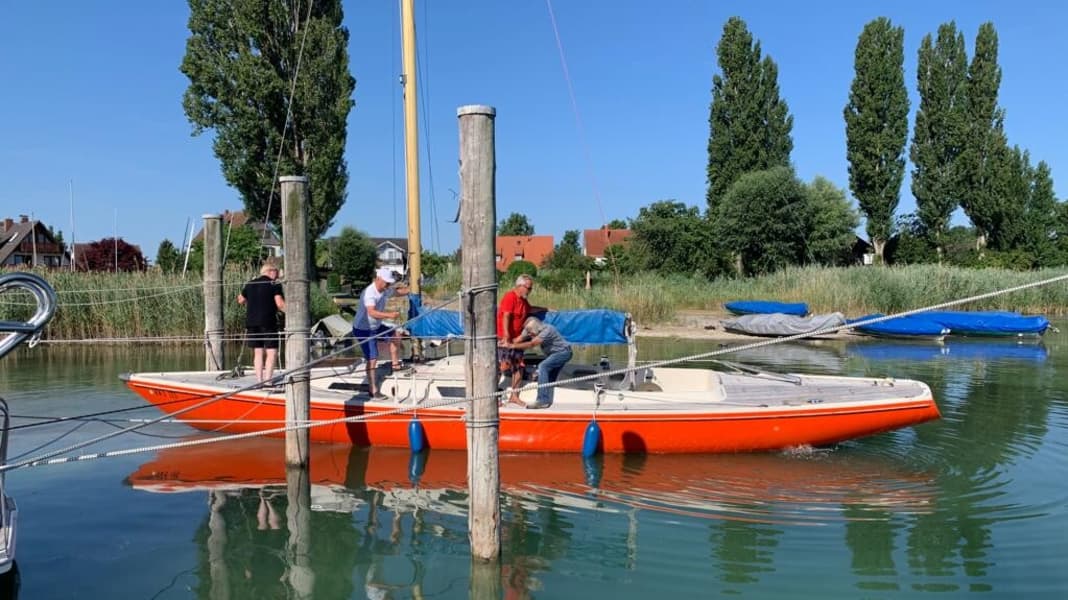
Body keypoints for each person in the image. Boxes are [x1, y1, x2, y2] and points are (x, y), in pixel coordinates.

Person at [353, 267, 409, 398]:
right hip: (364, 330)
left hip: (376, 326)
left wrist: (411, 289)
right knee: (372, 358)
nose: (388, 285)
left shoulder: (384, 289)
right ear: (378, 279)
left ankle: (395, 365)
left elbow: (396, 292)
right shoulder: (369, 293)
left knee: (396, 333)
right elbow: (371, 312)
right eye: (386, 283)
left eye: (389, 283)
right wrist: (389, 315)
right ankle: (373, 389)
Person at [496, 274, 542, 406]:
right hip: (505, 339)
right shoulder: (510, 297)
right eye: (529, 288)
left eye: (531, 288)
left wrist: (545, 309)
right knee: (502, 366)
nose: (530, 291)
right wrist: (506, 334)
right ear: (520, 286)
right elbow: (506, 316)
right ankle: (493, 397)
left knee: (519, 367)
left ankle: (514, 396)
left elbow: (531, 309)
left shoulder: (523, 301)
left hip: (517, 341)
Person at [237, 260, 286, 383]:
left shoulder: (250, 284)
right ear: (270, 271)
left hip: (252, 323)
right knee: (271, 352)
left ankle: (259, 380)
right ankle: (268, 380)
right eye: (276, 271)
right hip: (268, 322)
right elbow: (280, 304)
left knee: (258, 352)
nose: (278, 275)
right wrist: (292, 312)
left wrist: (253, 300)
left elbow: (240, 300)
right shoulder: (274, 284)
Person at [509, 316, 572, 409]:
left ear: (536, 329)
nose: (529, 335)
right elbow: (518, 339)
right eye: (528, 332)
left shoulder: (547, 330)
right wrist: (505, 343)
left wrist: (513, 346)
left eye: (530, 333)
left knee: (543, 366)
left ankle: (543, 400)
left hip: (563, 353)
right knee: (550, 377)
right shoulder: (529, 328)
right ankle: (550, 395)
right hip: (552, 354)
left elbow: (532, 344)